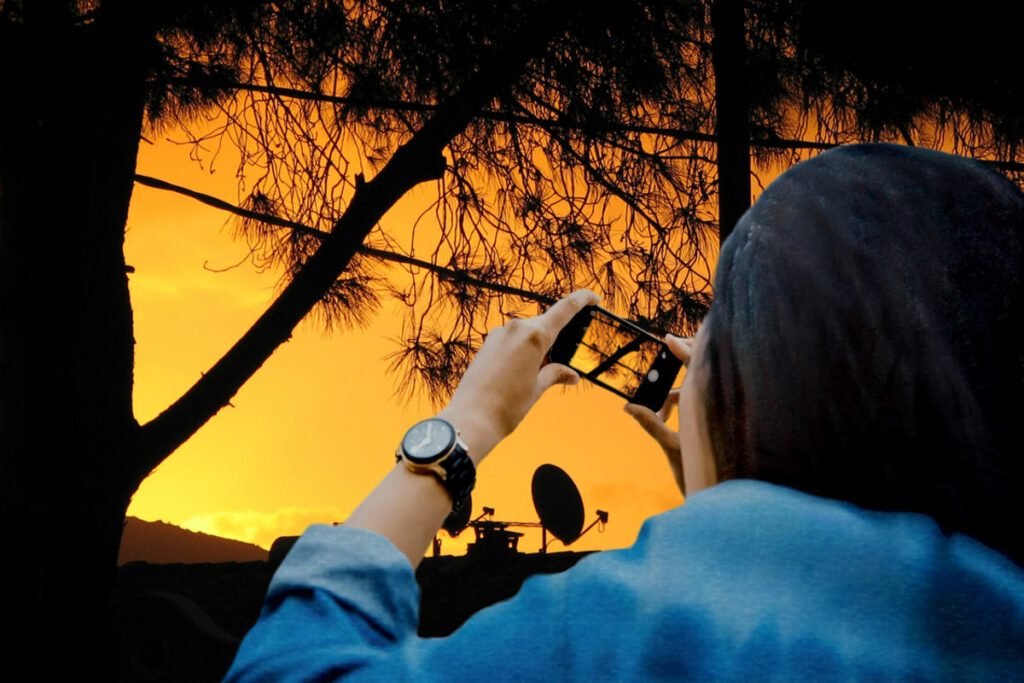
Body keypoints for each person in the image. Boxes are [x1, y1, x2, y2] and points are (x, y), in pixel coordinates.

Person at [225, 144, 1024, 681]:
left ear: (752, 382)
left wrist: (458, 433)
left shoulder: (642, 625)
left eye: (713, 326)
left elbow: (291, 668)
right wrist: (726, 476)